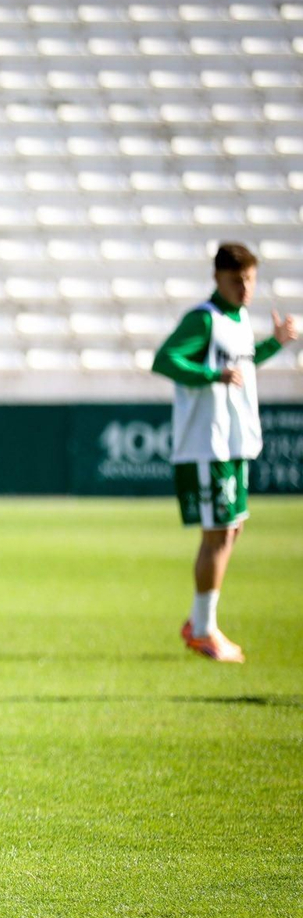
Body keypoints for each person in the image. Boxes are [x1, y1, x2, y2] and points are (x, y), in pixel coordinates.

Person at [151, 242, 296, 662]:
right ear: (217, 278)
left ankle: (200, 622)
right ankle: (202, 630)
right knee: (217, 534)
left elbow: (242, 366)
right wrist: (211, 374)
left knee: (232, 529)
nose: (245, 288)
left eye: (250, 280)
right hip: (208, 443)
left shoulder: (241, 319)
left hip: (235, 442)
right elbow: (164, 361)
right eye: (237, 280)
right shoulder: (203, 319)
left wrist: (275, 344)